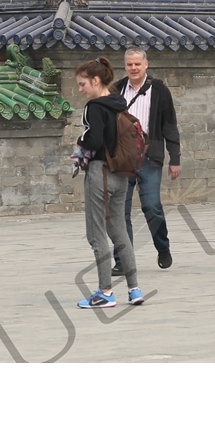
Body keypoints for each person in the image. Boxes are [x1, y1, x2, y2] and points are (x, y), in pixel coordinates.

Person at [72, 57, 143, 308]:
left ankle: (105, 292)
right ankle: (134, 289)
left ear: (95, 80)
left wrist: (80, 142)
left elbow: (94, 141)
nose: (81, 89)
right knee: (120, 231)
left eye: (82, 84)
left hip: (100, 173)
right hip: (121, 174)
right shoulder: (119, 103)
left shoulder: (94, 107)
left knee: (96, 233)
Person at [116, 47, 181, 270]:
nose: (133, 68)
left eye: (137, 64)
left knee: (151, 206)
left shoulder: (159, 90)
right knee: (120, 211)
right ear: (125, 66)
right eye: (129, 64)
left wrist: (175, 158)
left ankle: (162, 247)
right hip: (122, 159)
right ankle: (124, 260)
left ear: (146, 64)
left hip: (149, 157)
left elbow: (169, 125)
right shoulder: (117, 89)